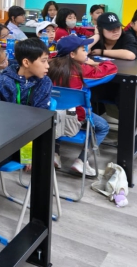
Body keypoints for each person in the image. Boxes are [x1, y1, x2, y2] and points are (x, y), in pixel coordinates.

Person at [48, 35, 116, 175]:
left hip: (51, 114)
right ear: (72, 54)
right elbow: (110, 70)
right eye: (83, 49)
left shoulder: (48, 66)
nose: (86, 52)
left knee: (59, 112)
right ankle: (82, 161)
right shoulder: (82, 70)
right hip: (76, 115)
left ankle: (54, 154)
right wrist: (94, 63)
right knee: (103, 127)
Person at [0, 37, 52, 109]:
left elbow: (41, 112)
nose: (48, 66)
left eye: (47, 61)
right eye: (43, 61)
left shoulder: (45, 82)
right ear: (26, 63)